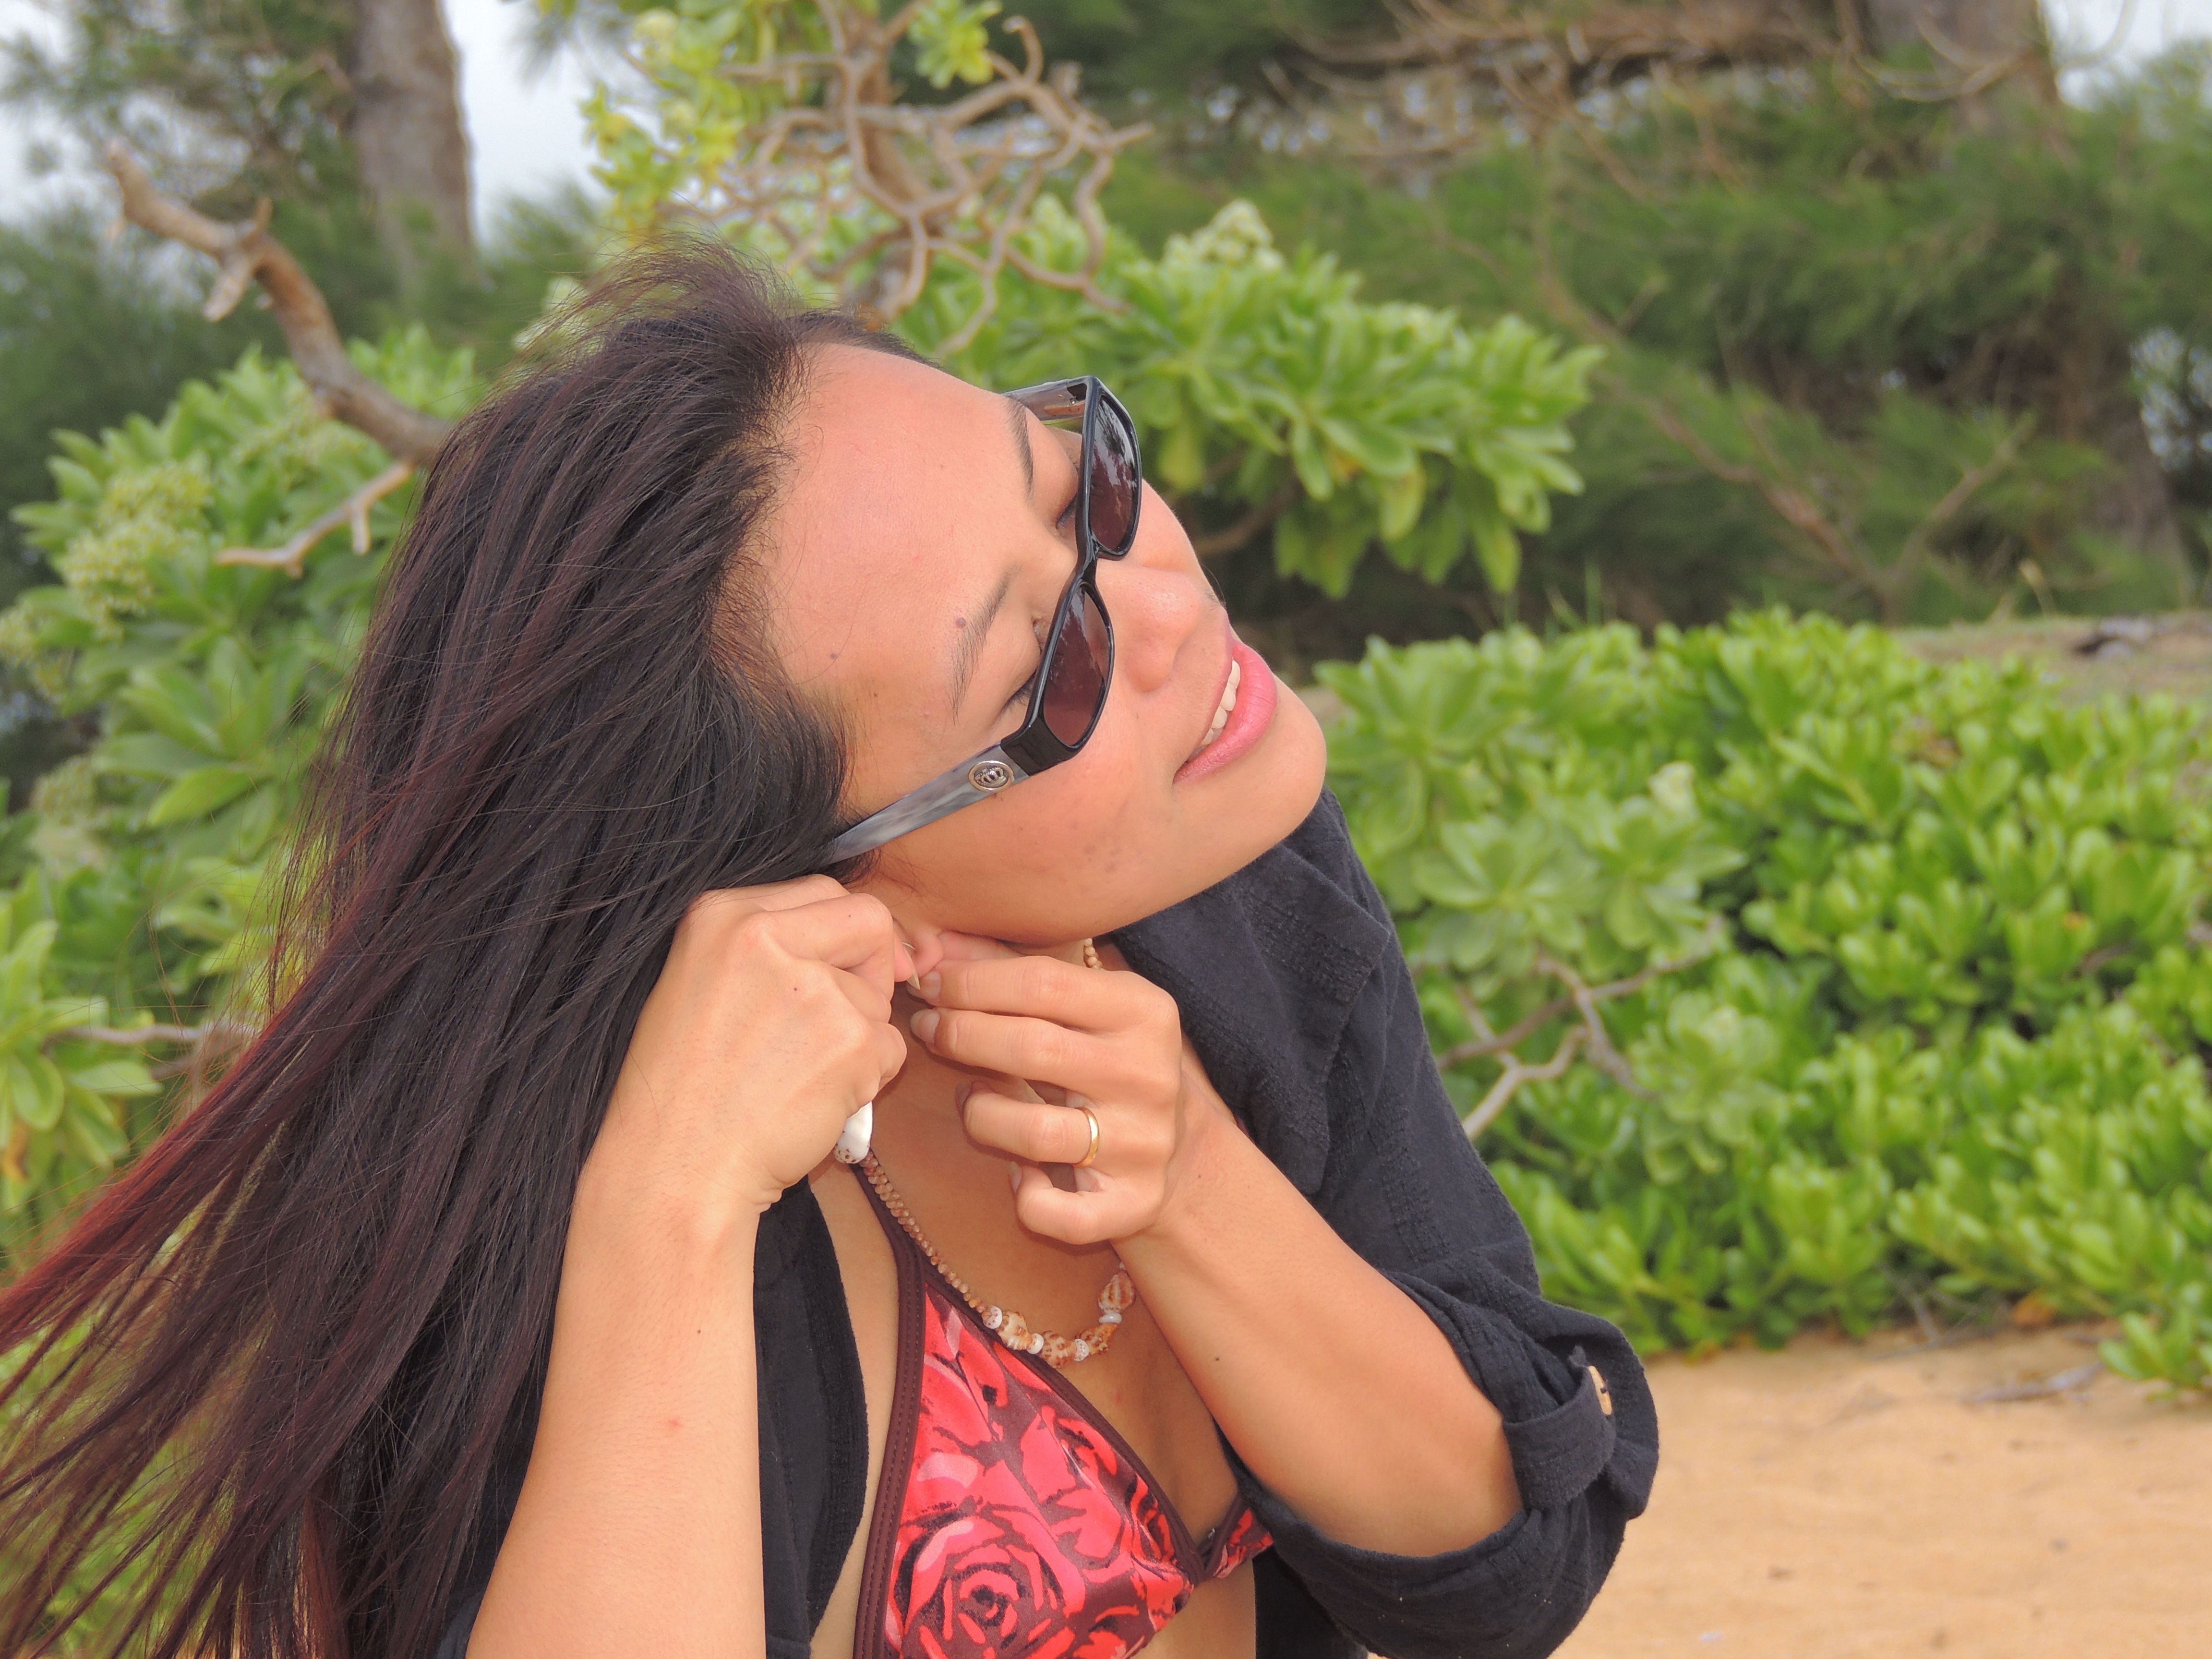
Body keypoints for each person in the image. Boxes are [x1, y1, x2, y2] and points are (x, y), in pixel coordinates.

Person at [0, 246, 1655, 1659]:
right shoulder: (612, 1202)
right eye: (1049, 672)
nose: (1170, 614)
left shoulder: (1226, 873)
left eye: (1095, 489)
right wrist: (667, 1212)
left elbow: (1505, 1576)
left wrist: (1198, 1178)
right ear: (834, 872)